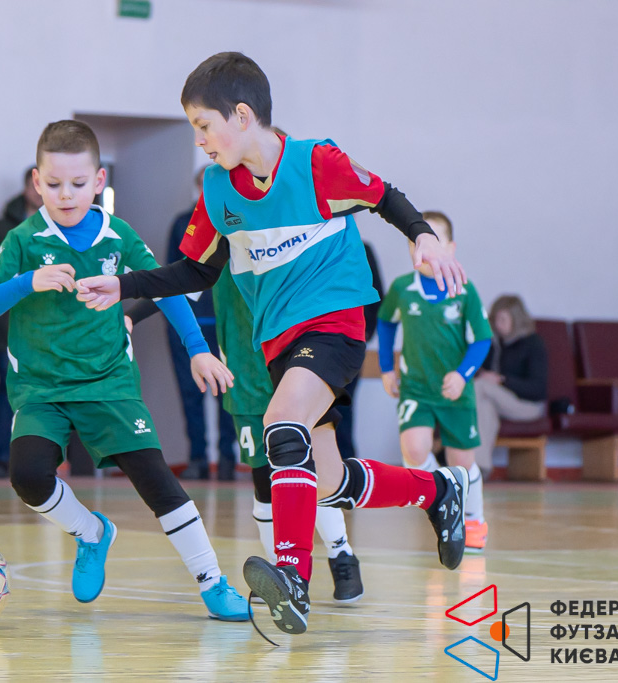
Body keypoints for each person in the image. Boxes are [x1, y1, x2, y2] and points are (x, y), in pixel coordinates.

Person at [76, 52, 470, 636]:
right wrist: (124, 287)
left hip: (334, 324)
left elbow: (384, 196)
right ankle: (438, 490)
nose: (199, 140)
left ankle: (293, 578)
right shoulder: (218, 190)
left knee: (280, 425)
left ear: (241, 116)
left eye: (203, 125)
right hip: (278, 343)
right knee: (329, 479)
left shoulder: (317, 163)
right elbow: (195, 272)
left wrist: (425, 237)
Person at [0, 120, 248, 621]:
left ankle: (212, 583)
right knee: (28, 475)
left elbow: (165, 288)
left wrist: (198, 349)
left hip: (109, 382)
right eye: (54, 184)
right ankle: (91, 533)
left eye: (78, 183)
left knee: (157, 481)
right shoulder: (22, 239)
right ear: (37, 182)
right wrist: (28, 282)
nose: (66, 194)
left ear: (99, 181)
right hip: (41, 388)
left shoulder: (119, 235)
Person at [128, 258, 365, 604]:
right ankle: (281, 576)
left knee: (316, 475)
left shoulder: (290, 247)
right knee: (264, 483)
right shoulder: (220, 258)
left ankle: (341, 553)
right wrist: (131, 316)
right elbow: (173, 286)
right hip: (247, 383)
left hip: (300, 373)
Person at [377, 211, 493, 553]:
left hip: (455, 393)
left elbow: (482, 340)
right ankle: (444, 494)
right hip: (416, 389)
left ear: (451, 248)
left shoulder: (464, 289)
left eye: (434, 241)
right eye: (416, 242)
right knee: (414, 451)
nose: (424, 250)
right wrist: (386, 368)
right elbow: (385, 324)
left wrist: (462, 375)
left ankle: (474, 520)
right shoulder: (402, 288)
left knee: (463, 464)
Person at [166, 167, 237, 481]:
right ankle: (197, 457)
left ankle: (227, 459)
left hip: (225, 323)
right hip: (187, 324)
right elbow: (169, 275)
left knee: (227, 394)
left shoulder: (235, 219)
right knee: (191, 394)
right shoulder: (182, 224)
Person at [0, 167, 43, 479]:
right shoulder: (3, 229)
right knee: (8, 396)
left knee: (41, 400)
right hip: (8, 329)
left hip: (46, 332)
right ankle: (2, 458)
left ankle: (36, 461)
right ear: (28, 186)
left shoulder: (60, 227)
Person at [474, 295, 548, 476]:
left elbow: (538, 389)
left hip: (528, 405)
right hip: (499, 402)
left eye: (503, 320)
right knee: (484, 405)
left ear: (516, 319)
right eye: (495, 319)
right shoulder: (495, 344)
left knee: (480, 386)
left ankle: (451, 449)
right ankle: (479, 469)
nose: (498, 324)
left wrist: (502, 380)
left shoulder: (533, 344)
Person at [335, 241, 383, 460]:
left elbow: (377, 293)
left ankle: (346, 464)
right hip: (312, 338)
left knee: (343, 405)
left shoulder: (361, 248)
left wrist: (365, 333)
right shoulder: (311, 244)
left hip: (350, 341)